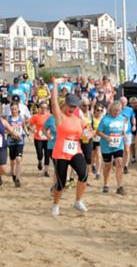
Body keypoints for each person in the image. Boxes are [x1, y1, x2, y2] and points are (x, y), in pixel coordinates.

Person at [50, 78, 88, 216]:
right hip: (60, 153)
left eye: (74, 106)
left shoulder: (78, 119)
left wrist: (88, 134)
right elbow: (53, 102)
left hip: (74, 151)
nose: (72, 108)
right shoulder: (60, 117)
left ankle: (78, 201)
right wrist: (55, 85)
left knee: (83, 174)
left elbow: (85, 132)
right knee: (61, 183)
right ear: (65, 105)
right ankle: (56, 204)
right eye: (70, 106)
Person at [97, 101, 126, 195]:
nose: (117, 112)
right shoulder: (105, 119)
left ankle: (119, 186)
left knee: (119, 163)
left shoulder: (122, 118)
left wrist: (124, 134)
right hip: (107, 146)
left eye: (119, 111)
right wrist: (106, 137)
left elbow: (122, 130)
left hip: (118, 145)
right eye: (116, 111)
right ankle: (106, 184)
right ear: (111, 110)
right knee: (108, 165)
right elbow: (98, 132)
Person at [7, 102, 29, 187]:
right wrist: (10, 131)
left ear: (18, 109)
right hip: (11, 141)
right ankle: (12, 172)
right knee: (12, 160)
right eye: (12, 109)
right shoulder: (8, 119)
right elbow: (6, 129)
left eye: (15, 109)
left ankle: (18, 178)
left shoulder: (21, 118)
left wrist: (27, 133)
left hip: (20, 141)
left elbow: (23, 126)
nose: (13, 111)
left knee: (18, 159)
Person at [29, 101, 51, 177]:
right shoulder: (36, 116)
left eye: (45, 108)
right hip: (38, 137)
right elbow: (30, 124)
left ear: (47, 109)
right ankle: (39, 161)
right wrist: (33, 130)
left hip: (47, 138)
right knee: (40, 153)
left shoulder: (50, 116)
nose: (43, 109)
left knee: (47, 154)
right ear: (39, 108)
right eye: (42, 108)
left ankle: (46, 171)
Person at [120, 96, 136, 174]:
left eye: (124, 102)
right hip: (118, 132)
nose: (123, 103)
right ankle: (119, 163)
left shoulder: (130, 110)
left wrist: (134, 125)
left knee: (127, 149)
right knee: (119, 149)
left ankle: (126, 166)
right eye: (122, 102)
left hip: (128, 132)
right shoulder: (117, 109)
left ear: (126, 103)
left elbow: (133, 118)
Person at [80, 98, 95, 179]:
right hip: (78, 138)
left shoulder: (90, 115)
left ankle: (86, 177)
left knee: (88, 158)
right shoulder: (77, 114)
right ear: (80, 106)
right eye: (84, 105)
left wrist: (91, 134)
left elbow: (92, 128)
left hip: (87, 138)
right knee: (77, 157)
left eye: (88, 105)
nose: (86, 107)